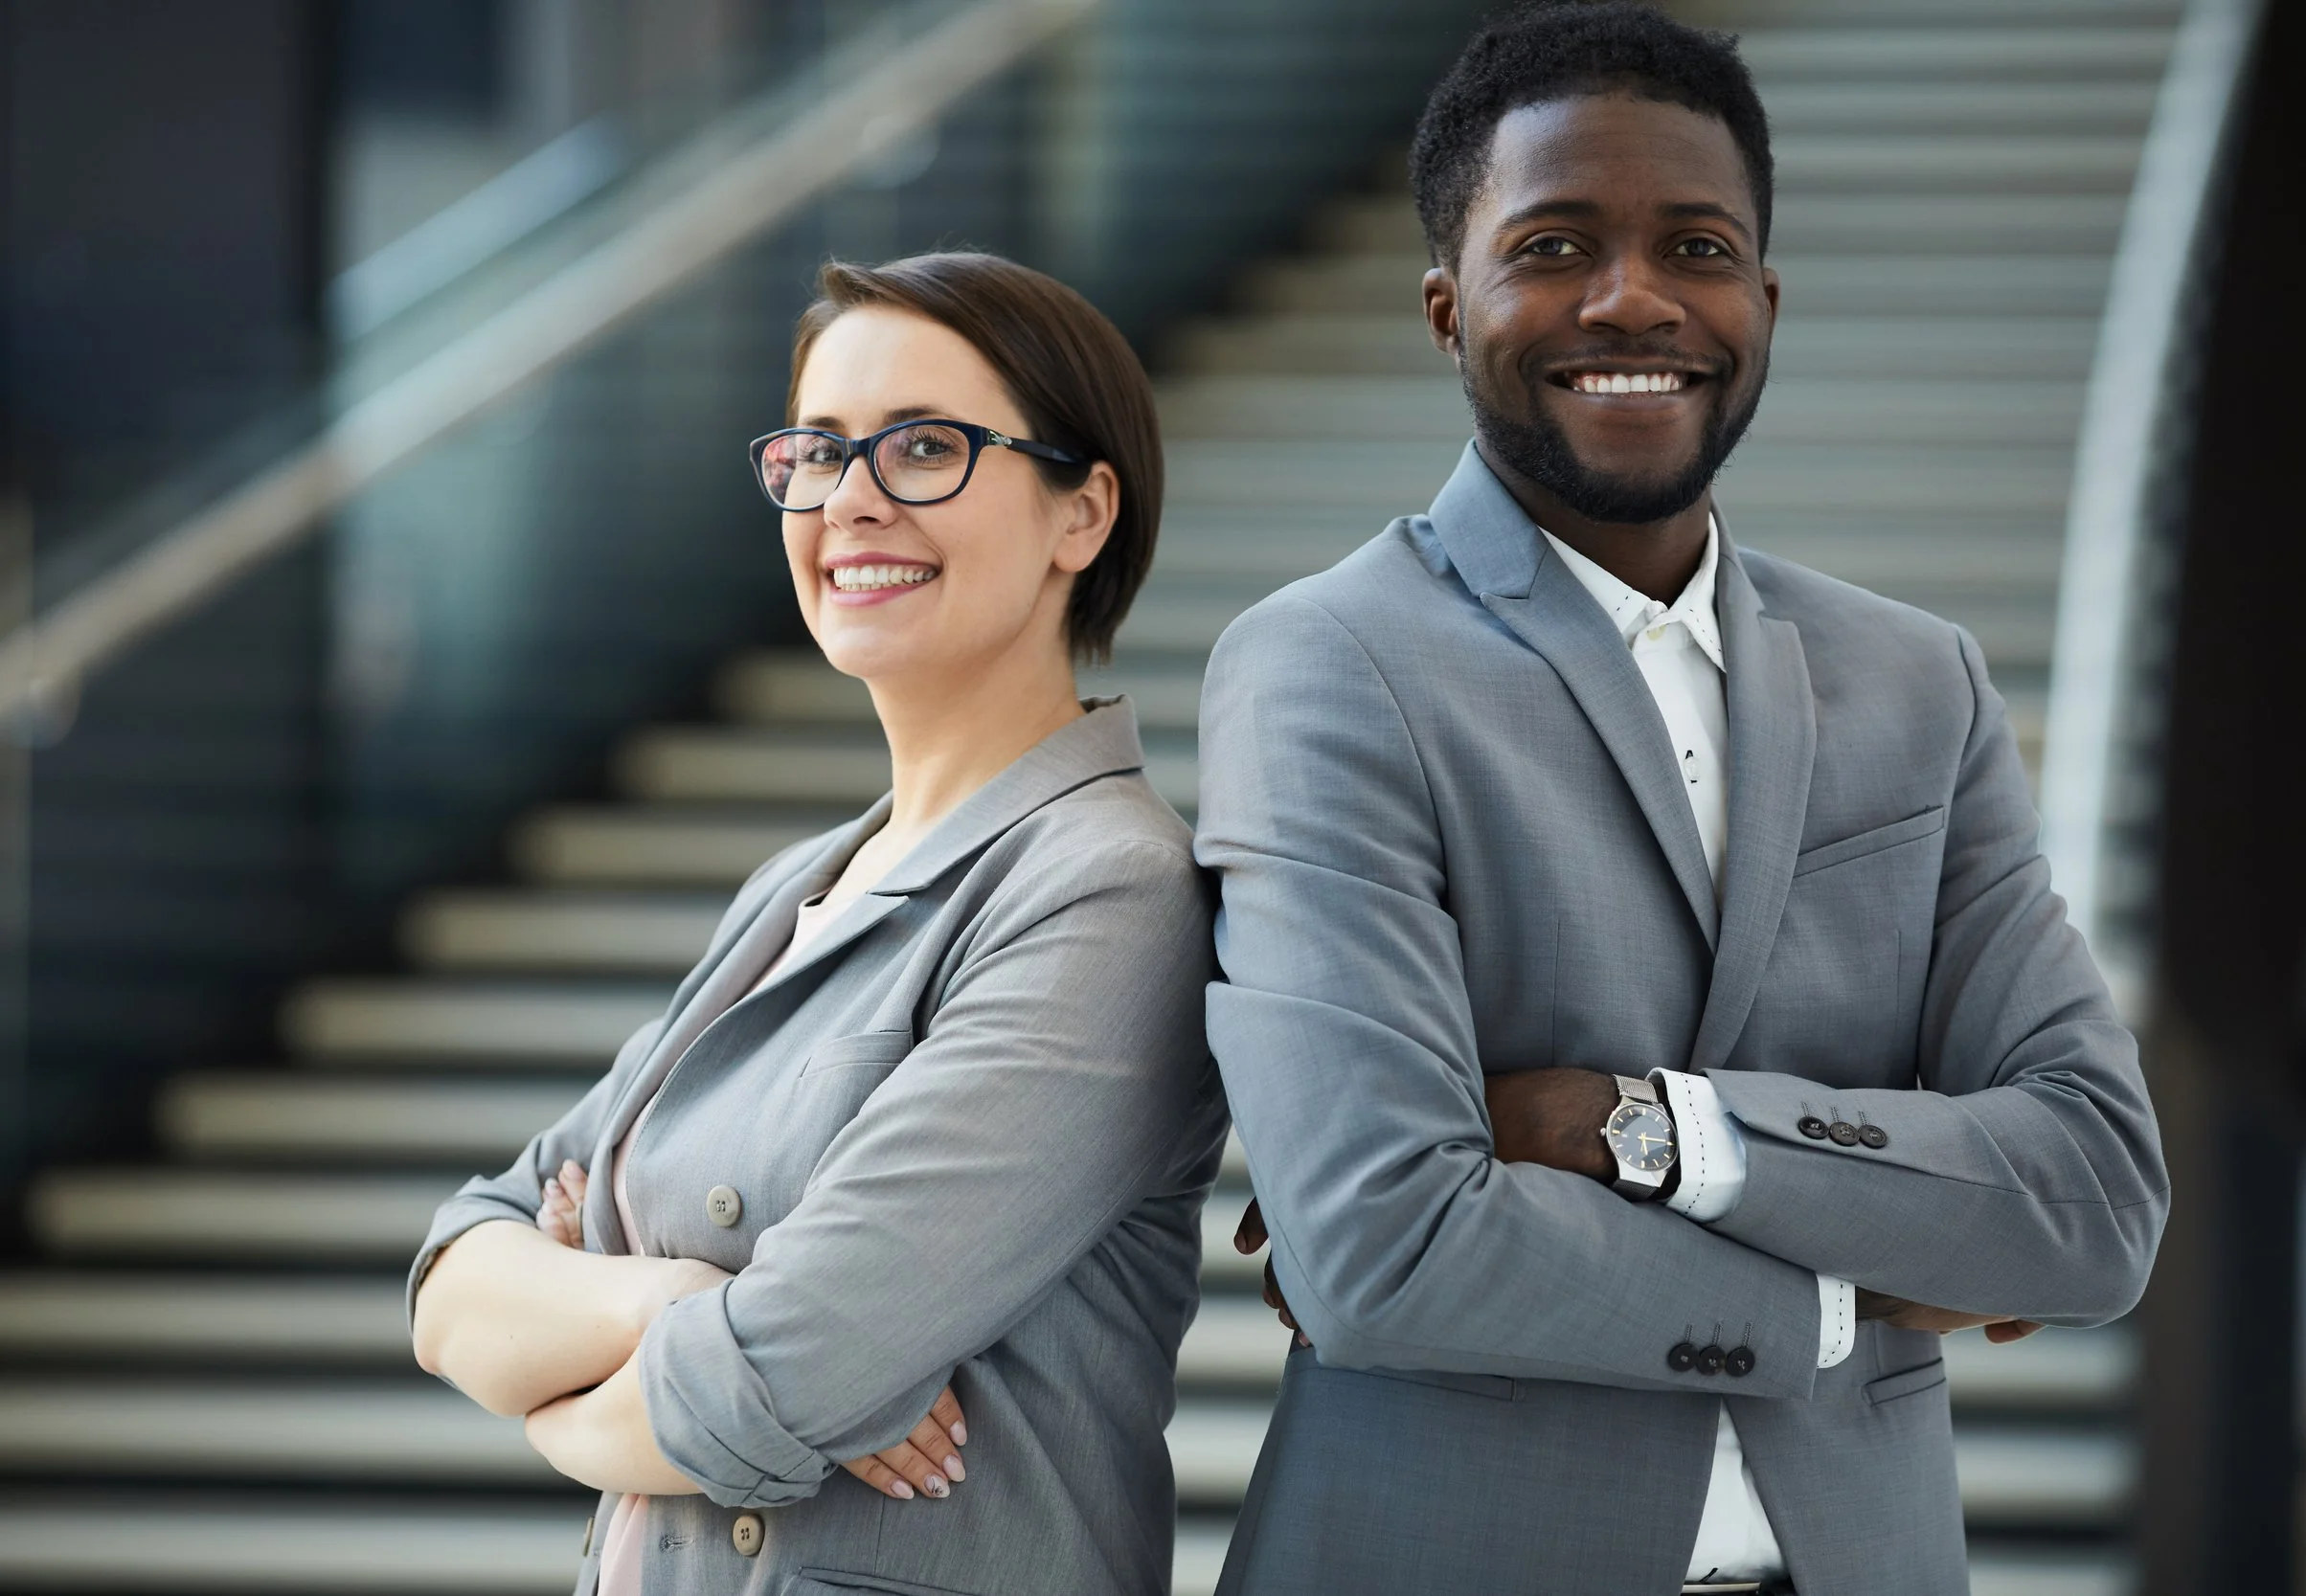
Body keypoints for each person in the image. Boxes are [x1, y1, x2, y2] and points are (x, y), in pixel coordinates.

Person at [1196, 7, 2168, 1594]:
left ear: (1763, 301)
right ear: (1450, 307)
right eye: (1556, 244)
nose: (1632, 297)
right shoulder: (1325, 664)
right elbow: (1382, 1248)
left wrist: (1641, 1131)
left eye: (1696, 246)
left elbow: (2094, 1196)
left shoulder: (1921, 682)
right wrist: (1857, 1281)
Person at [409, 251, 1225, 1596]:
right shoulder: (796, 885)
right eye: (818, 452)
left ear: (1081, 513)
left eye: (924, 448)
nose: (851, 501)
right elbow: (452, 1274)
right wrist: (668, 1303)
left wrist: (572, 1392)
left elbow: (789, 1369)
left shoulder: (1109, 887)